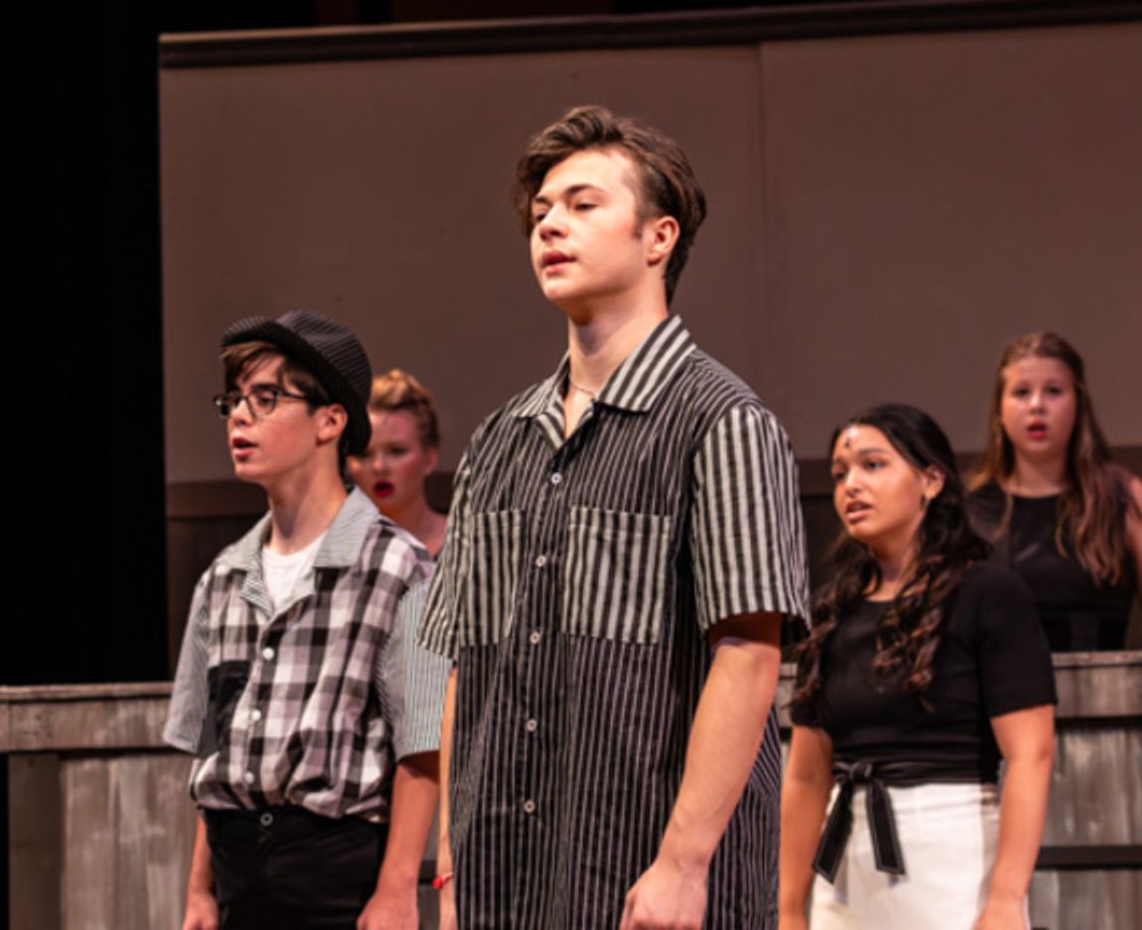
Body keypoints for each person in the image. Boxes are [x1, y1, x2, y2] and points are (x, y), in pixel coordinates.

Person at [418, 105, 810, 929]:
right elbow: (466, 668)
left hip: (643, 882)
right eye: (541, 213)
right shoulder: (499, 440)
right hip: (504, 884)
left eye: (583, 204)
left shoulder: (720, 422)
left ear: (657, 238)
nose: (551, 225)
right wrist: (451, 871)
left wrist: (682, 862)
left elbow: (747, 656)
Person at [163, 310, 449, 930]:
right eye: (234, 401)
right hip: (240, 877)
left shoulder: (394, 567)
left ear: (330, 420)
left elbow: (421, 746)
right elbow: (214, 748)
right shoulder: (223, 579)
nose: (240, 416)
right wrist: (199, 893)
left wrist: (399, 889)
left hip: (336, 880)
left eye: (266, 399)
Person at [780, 404, 1056, 929]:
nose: (851, 485)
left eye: (873, 465)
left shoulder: (988, 594)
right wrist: (789, 908)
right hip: (845, 858)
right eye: (840, 473)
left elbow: (1031, 754)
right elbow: (807, 776)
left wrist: (1005, 898)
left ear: (931, 480)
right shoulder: (832, 611)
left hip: (951, 852)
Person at [968, 331, 1142, 651]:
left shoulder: (1123, 497)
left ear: (1078, 402)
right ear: (999, 410)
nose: (1037, 406)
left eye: (1053, 391)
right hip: (1002, 697)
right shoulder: (971, 512)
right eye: (1021, 392)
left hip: (1107, 695)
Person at [349, 369, 448, 557]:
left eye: (396, 451)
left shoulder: (471, 544)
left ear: (430, 457)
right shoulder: (333, 550)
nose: (379, 467)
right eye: (364, 455)